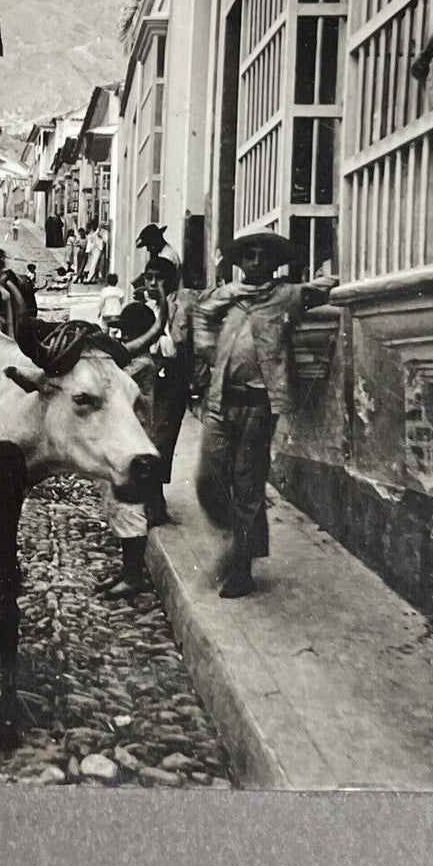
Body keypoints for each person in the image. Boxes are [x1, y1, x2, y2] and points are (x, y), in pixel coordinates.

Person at [178, 232, 335, 598]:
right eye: (248, 255)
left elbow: (328, 287)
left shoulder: (286, 296)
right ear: (239, 262)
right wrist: (207, 350)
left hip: (259, 405)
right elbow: (198, 313)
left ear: (273, 263)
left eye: (263, 256)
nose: (255, 261)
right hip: (219, 402)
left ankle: (242, 568)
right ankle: (236, 536)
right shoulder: (225, 297)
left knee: (248, 485)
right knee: (207, 477)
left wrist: (325, 279)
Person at [97, 295, 164, 598]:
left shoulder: (141, 365)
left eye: (127, 331)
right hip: (127, 443)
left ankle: (134, 576)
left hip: (137, 447)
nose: (122, 336)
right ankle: (127, 571)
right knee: (122, 506)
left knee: (131, 509)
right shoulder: (135, 363)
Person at [143, 256, 190, 525]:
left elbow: (175, 346)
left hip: (170, 381)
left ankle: (155, 500)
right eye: (148, 278)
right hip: (147, 380)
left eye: (158, 278)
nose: (152, 283)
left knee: (161, 438)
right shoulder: (143, 304)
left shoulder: (177, 306)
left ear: (170, 280)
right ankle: (151, 498)